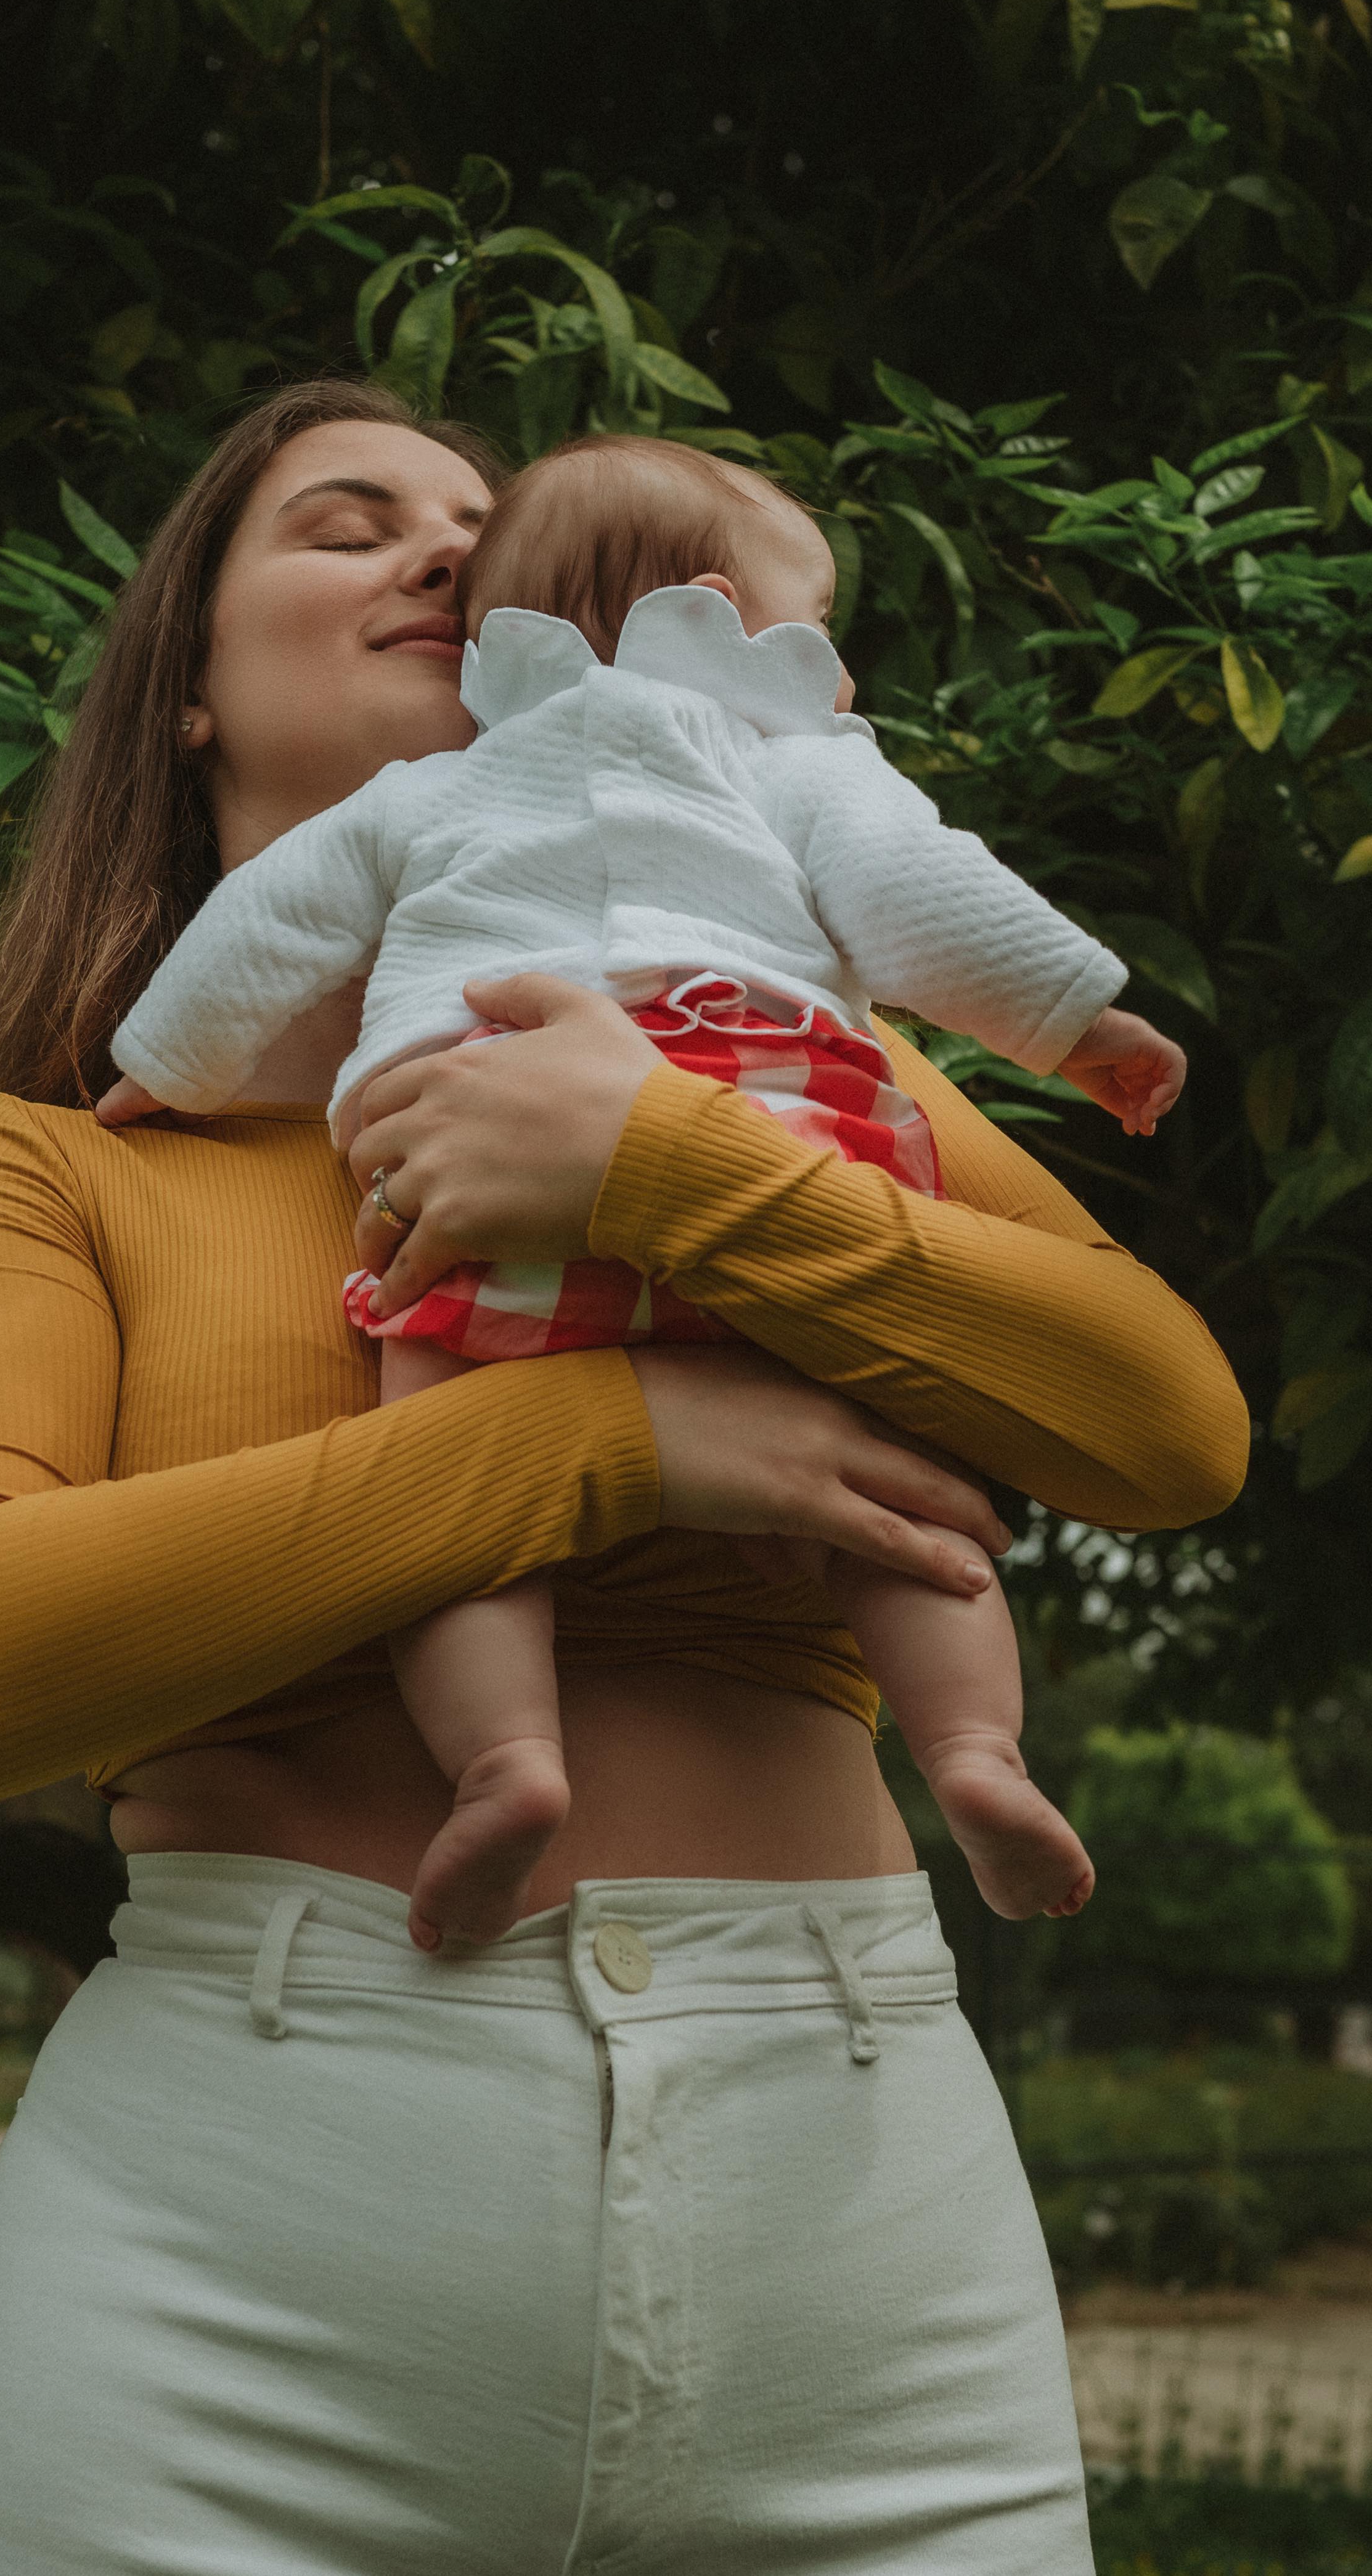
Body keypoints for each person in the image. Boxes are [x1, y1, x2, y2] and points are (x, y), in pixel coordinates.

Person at [0, 378, 1247, 2576]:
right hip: (237, 2247)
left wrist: (662, 1165)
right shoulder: (47, 1178)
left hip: (856, 2225)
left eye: (473, 530)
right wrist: (599, 1439)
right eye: (341, 523)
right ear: (183, 696)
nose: (430, 554)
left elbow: (1170, 1431)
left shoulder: (808, 1079)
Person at [98, 435, 1184, 1948]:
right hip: (786, 1095)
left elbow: (269, 921)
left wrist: (162, 1062)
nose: (840, 683)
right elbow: (927, 889)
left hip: (472, 1126)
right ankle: (977, 1755)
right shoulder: (785, 758)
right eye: (814, 638)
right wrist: (1077, 1021)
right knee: (886, 1476)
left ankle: (503, 1760)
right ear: (732, 617)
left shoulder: (432, 790)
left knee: (440, 1454)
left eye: (465, 539)